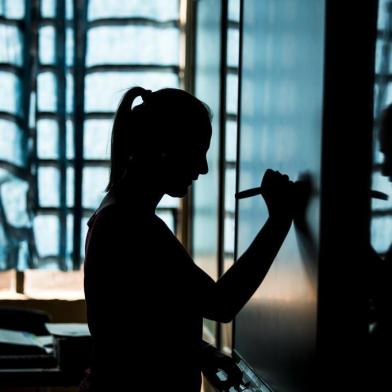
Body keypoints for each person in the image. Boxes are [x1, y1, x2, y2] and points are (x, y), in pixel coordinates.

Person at [82, 86, 297, 391]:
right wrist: (278, 221)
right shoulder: (132, 225)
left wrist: (202, 352)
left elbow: (143, 322)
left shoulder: (118, 215)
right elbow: (221, 304)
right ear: (165, 149)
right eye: (198, 152)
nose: (203, 168)